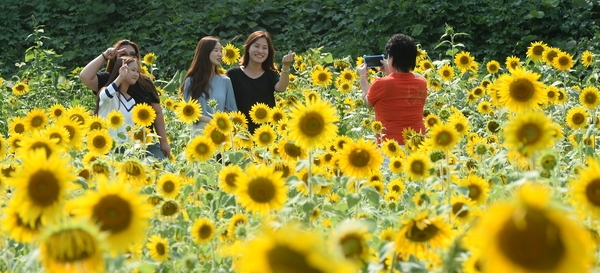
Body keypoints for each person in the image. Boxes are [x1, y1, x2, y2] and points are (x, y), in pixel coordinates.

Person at [82, 40, 171, 159]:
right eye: (123, 54)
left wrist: (163, 141)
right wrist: (105, 56)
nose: (129, 57)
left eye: (133, 54)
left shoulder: (145, 83)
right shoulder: (108, 81)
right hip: (118, 145)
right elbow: (85, 77)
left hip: (146, 141)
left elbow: (157, 112)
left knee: (165, 170)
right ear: (115, 59)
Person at [357, 33, 428, 146]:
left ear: (391, 58)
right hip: (417, 145)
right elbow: (403, 82)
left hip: (390, 147)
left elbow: (368, 103)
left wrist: (362, 77)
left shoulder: (381, 84)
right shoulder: (422, 83)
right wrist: (391, 71)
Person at [226, 31, 295, 134]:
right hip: (240, 133)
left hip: (266, 134)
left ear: (269, 52)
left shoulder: (270, 75)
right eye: (256, 46)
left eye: (264, 48)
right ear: (248, 48)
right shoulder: (233, 74)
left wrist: (285, 66)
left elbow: (281, 88)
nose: (260, 51)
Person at [180, 36, 238, 137]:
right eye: (216, 50)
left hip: (220, 134)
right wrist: (210, 120)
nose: (220, 54)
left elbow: (232, 110)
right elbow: (188, 111)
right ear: (205, 53)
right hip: (199, 135)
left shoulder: (225, 81)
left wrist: (220, 121)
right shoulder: (191, 81)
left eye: (221, 51)